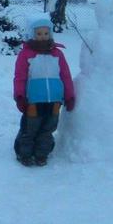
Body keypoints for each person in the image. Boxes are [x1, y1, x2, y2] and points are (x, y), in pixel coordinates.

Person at [13, 16, 75, 166]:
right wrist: (20, 95)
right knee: (30, 128)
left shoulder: (57, 54)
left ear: (50, 34)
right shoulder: (26, 54)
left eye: (46, 33)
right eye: (39, 33)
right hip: (34, 99)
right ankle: (24, 153)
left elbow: (65, 76)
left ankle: (42, 154)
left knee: (48, 128)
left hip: (54, 100)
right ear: (32, 35)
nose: (43, 37)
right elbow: (20, 76)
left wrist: (69, 95)